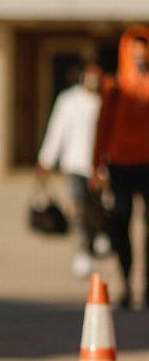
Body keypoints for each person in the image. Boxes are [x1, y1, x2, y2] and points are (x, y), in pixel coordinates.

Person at [91, 27, 149, 310]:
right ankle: (127, 284)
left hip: (147, 164)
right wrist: (95, 165)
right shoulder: (114, 86)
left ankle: (148, 288)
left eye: (145, 50)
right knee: (121, 223)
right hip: (120, 165)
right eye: (135, 51)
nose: (141, 56)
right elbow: (101, 127)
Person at [36, 62, 104, 279]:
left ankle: (98, 238)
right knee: (79, 209)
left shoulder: (106, 100)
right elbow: (57, 130)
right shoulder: (69, 100)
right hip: (75, 165)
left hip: (101, 169)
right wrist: (46, 159)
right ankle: (83, 252)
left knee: (98, 209)